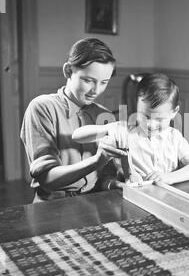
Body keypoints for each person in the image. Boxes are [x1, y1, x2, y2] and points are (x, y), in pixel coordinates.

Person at [20, 38, 127, 202]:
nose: (96, 90)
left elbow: (105, 177)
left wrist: (113, 184)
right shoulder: (41, 107)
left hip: (94, 203)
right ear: (68, 71)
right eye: (88, 80)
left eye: (104, 82)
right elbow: (47, 180)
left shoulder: (104, 115)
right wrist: (96, 161)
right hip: (52, 206)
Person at [72, 73, 189, 188]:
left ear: (174, 112)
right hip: (131, 197)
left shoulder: (174, 137)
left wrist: (169, 177)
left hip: (166, 197)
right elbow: (77, 136)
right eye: (145, 116)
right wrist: (107, 128)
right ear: (137, 107)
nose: (151, 124)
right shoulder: (124, 130)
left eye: (159, 119)